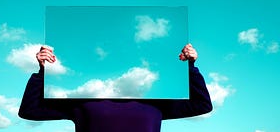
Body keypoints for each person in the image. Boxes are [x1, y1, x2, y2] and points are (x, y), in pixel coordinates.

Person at [19, 43, 212, 132]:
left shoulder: (157, 101)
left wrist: (190, 67)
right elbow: (29, 110)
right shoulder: (81, 101)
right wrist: (43, 71)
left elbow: (202, 105)